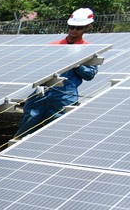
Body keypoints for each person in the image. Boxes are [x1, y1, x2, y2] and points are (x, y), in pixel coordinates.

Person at [15, 7, 100, 137]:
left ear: (87, 27)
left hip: (64, 96)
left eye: (78, 28)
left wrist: (77, 63)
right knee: (28, 123)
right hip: (42, 93)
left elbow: (89, 75)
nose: (73, 30)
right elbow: (37, 68)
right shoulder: (54, 46)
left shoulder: (88, 49)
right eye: (71, 27)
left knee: (58, 132)